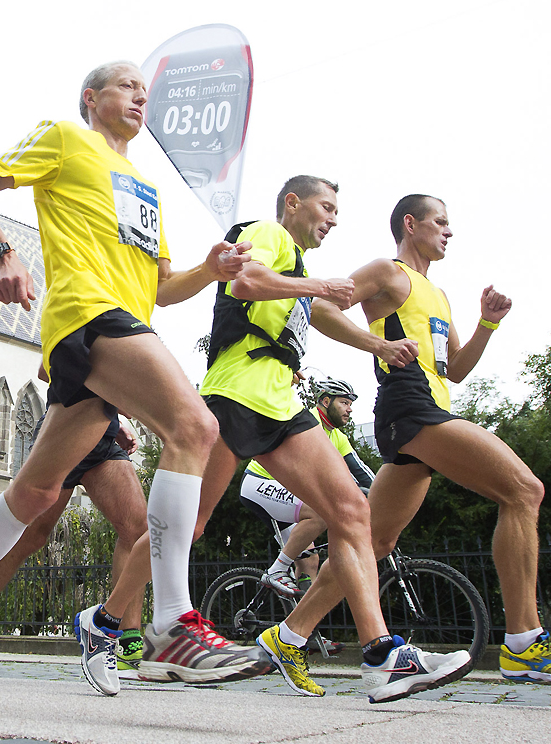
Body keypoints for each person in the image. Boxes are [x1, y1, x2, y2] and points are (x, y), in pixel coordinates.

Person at [0, 60, 260, 697]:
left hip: (121, 325)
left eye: (145, 91)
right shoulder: (65, 137)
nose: (141, 97)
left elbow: (162, 288)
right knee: (195, 426)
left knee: (37, 492)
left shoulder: (146, 188)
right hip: (87, 315)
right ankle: (172, 622)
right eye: (127, 86)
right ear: (91, 98)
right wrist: (0, 253)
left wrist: (210, 270)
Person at [184, 177, 469, 703]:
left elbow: (319, 315)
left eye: (337, 211)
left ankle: (382, 655)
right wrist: (317, 286)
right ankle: (111, 620)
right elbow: (245, 282)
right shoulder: (268, 232)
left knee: (352, 511)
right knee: (191, 524)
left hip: (281, 402)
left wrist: (376, 345)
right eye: (327, 207)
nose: (334, 218)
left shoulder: (296, 270)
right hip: (237, 392)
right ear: (294, 204)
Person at [274, 193, 547, 689]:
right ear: (410, 224)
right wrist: (377, 345)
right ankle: (524, 642)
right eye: (440, 221)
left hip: (431, 409)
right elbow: (316, 306)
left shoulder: (437, 295)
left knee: (374, 541)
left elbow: (456, 369)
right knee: (524, 491)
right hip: (410, 407)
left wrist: (488, 323)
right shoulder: (388, 271)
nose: (449, 230)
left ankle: (289, 635)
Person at [0, 391, 147, 681]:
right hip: (63, 432)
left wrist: (113, 416)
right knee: (31, 536)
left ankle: (127, 643)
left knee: (138, 532)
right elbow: (49, 371)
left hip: (101, 439)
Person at [240, 377, 373, 598]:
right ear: (326, 402)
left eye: (350, 404)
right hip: (259, 482)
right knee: (320, 514)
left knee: (309, 560)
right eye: (344, 403)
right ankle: (276, 571)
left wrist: (382, 495)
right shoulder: (309, 422)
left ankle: (299, 618)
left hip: (287, 491)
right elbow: (316, 470)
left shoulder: (337, 436)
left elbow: (359, 472)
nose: (349, 409)